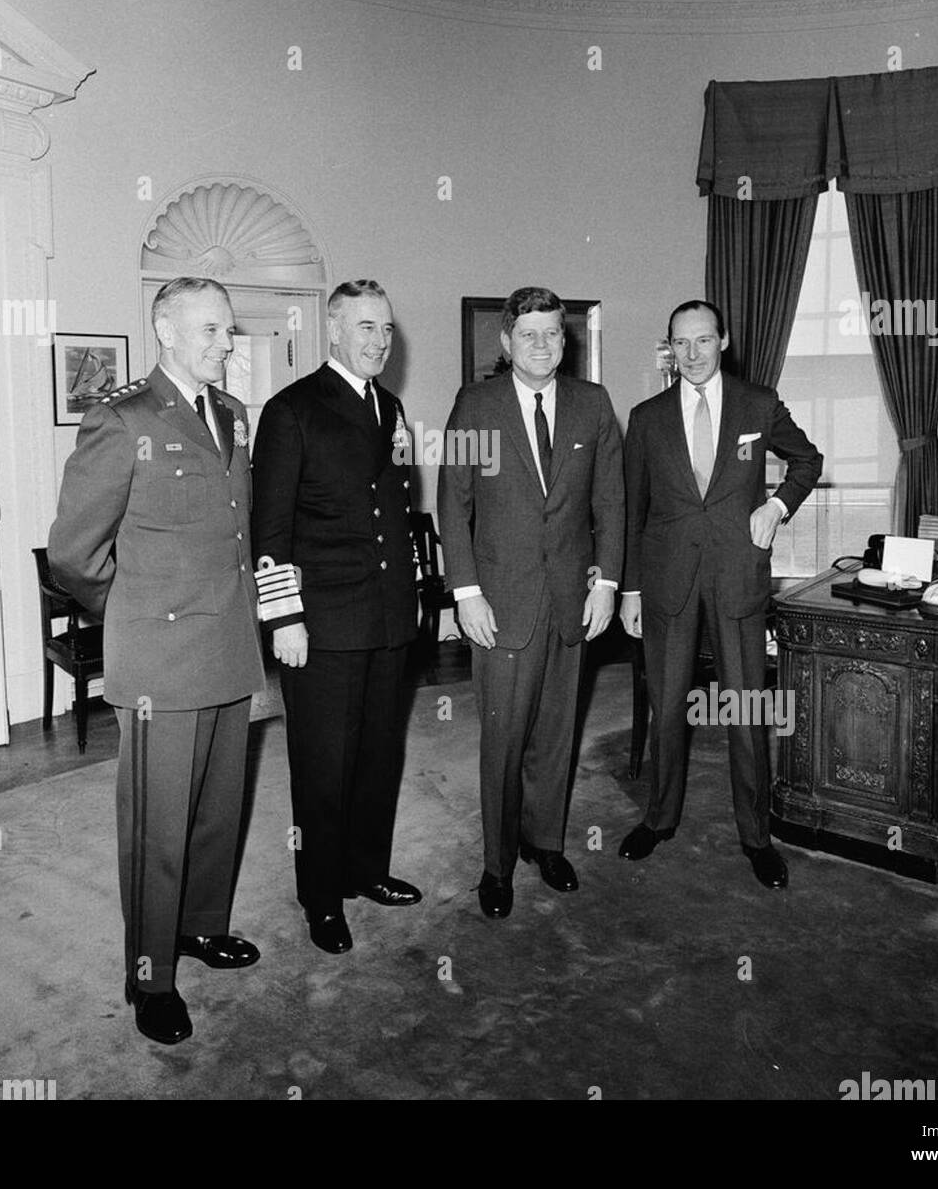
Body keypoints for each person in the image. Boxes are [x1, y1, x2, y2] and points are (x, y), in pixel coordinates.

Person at [48, 276, 264, 1045]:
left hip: (230, 648)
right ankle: (151, 978)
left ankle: (201, 928)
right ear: (165, 331)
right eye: (210, 331)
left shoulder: (234, 416)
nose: (225, 344)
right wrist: (134, 608)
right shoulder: (122, 418)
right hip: (161, 661)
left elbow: (237, 533)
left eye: (228, 331)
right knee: (157, 826)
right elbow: (74, 553)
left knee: (215, 810)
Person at [618, 300, 822, 888]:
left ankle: (756, 837)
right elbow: (633, 510)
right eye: (680, 344)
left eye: (703, 341)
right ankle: (658, 819)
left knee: (745, 709)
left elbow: (807, 459)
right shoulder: (647, 416)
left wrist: (777, 506)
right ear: (669, 347)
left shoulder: (758, 403)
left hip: (737, 578)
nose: (692, 354)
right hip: (666, 581)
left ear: (722, 341)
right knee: (667, 704)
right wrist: (630, 588)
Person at [437, 286, 624, 918]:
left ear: (565, 341)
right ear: (506, 341)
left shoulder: (592, 405)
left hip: (573, 599)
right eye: (529, 335)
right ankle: (496, 866)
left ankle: (545, 842)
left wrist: (605, 584)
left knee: (556, 733)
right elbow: (453, 504)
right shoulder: (477, 405)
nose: (542, 345)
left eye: (552, 334)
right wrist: (465, 593)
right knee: (504, 739)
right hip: (500, 602)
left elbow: (611, 504)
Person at [250, 279, 421, 955]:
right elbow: (270, 530)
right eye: (366, 327)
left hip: (387, 617)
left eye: (386, 328)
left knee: (379, 754)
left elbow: (391, 514)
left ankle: (365, 870)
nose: (379, 340)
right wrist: (284, 619)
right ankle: (321, 895)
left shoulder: (390, 405)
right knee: (323, 764)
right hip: (321, 621)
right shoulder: (292, 409)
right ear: (334, 332)